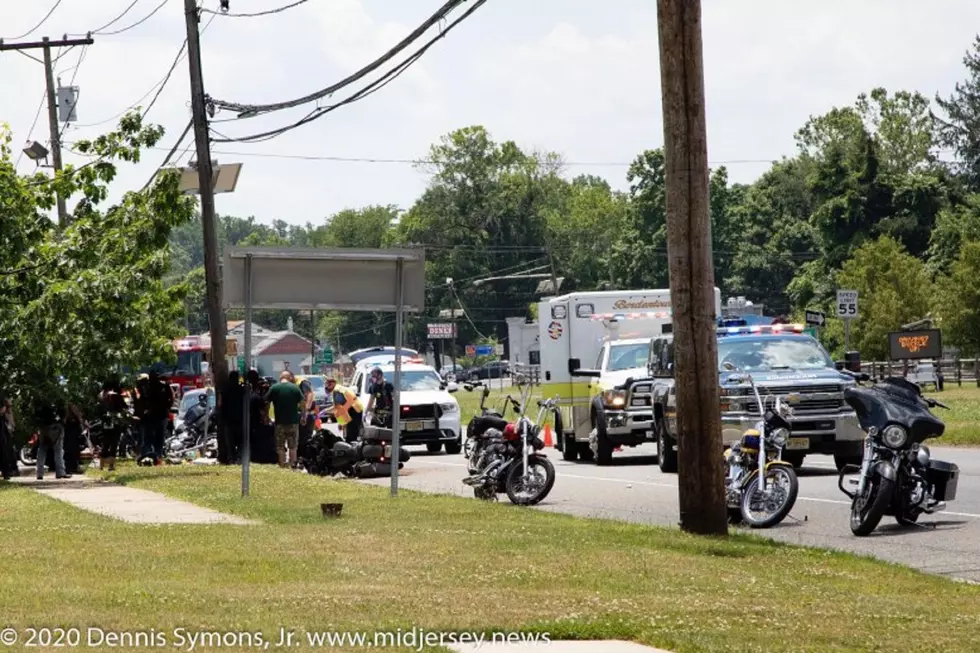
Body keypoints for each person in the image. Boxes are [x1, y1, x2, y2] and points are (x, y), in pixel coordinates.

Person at [264, 372, 304, 468]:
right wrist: (303, 416)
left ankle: (282, 464)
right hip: (293, 423)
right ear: (289, 378)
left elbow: (266, 402)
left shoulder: (274, 388)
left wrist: (266, 416)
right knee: (293, 446)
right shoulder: (295, 388)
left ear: (280, 377)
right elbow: (303, 403)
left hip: (280, 423)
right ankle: (293, 466)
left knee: (280, 446)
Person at [35, 396, 69, 480]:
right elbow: (64, 411)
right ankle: (60, 472)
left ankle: (39, 473)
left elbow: (36, 413)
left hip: (44, 427)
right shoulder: (58, 396)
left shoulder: (40, 397)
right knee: (58, 451)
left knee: (42, 450)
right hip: (56, 426)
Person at [99, 380, 127, 472]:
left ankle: (101, 465)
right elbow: (124, 407)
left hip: (105, 422)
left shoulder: (101, 395)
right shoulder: (116, 395)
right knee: (114, 443)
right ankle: (111, 465)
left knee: (105, 443)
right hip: (115, 421)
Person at [326, 376, 364, 443]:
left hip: (354, 410)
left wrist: (341, 423)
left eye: (329, 384)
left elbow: (340, 408)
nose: (327, 386)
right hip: (356, 409)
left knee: (351, 436)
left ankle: (352, 450)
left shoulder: (337, 391)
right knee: (354, 433)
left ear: (334, 383)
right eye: (327, 384)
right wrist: (325, 411)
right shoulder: (339, 388)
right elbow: (338, 407)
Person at [218, 371, 245, 464]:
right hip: (240, 418)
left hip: (228, 419)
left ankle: (231, 458)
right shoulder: (242, 389)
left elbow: (220, 403)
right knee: (241, 440)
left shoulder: (224, 389)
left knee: (230, 441)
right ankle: (239, 457)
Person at [0, 396, 17, 480]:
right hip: (4, 435)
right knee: (5, 453)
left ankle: (8, 471)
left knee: (7, 452)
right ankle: (7, 471)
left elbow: (11, 424)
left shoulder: (6, 415)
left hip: (5, 435)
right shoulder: (5, 415)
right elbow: (12, 424)